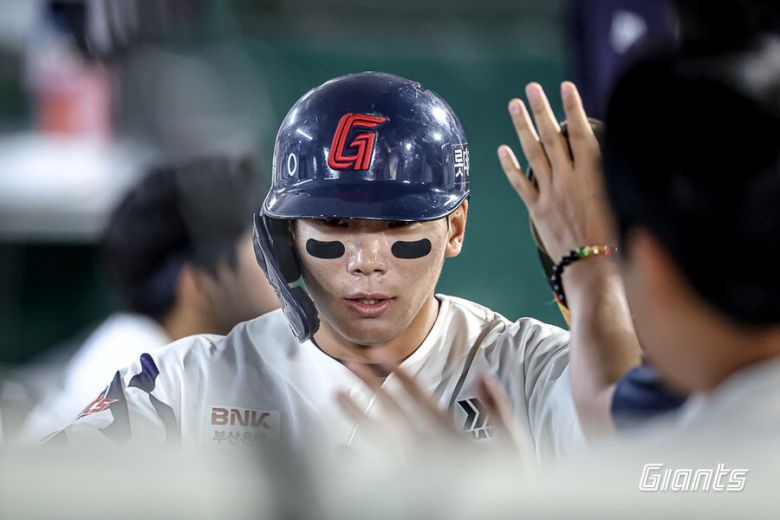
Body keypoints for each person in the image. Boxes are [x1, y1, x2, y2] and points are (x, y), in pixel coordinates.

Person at [58, 72, 638, 463]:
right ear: (285, 238)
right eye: (334, 225)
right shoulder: (184, 384)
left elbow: (647, 455)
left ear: (455, 229)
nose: (366, 262)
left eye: (399, 226)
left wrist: (591, 266)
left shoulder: (531, 369)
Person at [20, 157, 278, 442]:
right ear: (199, 284)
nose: (279, 262)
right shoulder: (137, 378)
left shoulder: (148, 352)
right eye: (260, 246)